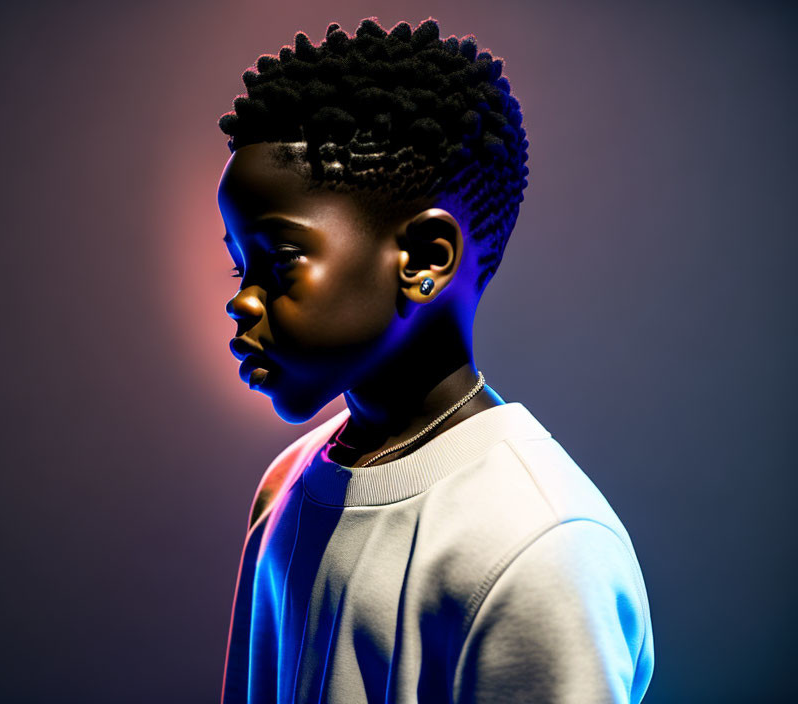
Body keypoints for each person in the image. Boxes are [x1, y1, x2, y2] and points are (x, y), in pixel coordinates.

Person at [216, 16, 654, 703]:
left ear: (425, 260)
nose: (241, 302)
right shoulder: (286, 487)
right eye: (237, 265)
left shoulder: (538, 546)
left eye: (278, 261)